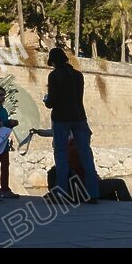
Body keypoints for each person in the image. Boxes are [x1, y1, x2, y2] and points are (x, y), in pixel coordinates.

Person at [44, 48, 99, 204]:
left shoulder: (54, 75)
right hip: (79, 117)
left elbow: (52, 101)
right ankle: (93, 193)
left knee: (61, 156)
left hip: (61, 118)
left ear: (53, 61)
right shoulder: (78, 75)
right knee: (86, 155)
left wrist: (47, 101)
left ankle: (61, 193)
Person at [33, 128, 132, 202]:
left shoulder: (66, 150)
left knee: (108, 187)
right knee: (119, 183)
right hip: (85, 188)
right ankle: (130, 206)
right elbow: (88, 172)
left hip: (74, 189)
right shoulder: (82, 150)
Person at [0, 87, 20, 198]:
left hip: (4, 142)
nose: (3, 97)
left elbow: (4, 124)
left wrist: (12, 123)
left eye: (4, 95)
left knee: (5, 165)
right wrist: (7, 122)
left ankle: (5, 189)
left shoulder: (4, 110)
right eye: (0, 94)